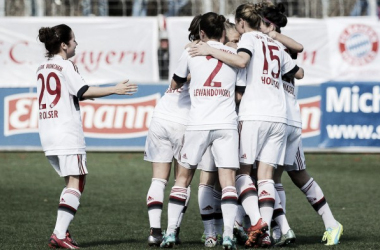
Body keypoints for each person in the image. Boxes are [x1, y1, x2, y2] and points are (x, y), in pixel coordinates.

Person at [189, 3, 304, 248]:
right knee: (265, 178)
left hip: (253, 114)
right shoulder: (274, 44)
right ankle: (271, 230)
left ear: (241, 22)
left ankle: (258, 222)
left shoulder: (249, 40)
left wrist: (210, 49)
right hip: (279, 117)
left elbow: (241, 62)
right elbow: (299, 73)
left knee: (241, 173)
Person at [36, 24, 137, 249]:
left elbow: (72, 94)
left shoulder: (42, 67)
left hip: (48, 132)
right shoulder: (65, 66)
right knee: (77, 181)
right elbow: (83, 91)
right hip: (66, 132)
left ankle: (63, 231)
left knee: (70, 182)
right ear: (63, 44)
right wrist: (115, 89)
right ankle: (59, 234)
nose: (76, 43)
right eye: (73, 40)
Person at [257, 3, 344, 246]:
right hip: (277, 117)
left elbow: (298, 51)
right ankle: (279, 229)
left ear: (270, 26)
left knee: (293, 175)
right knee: (273, 177)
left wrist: (271, 34)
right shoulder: (264, 43)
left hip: (285, 119)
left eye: (261, 24)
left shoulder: (279, 44)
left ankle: (330, 223)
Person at [160, 12, 245, 250]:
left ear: (202, 33)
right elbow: (239, 93)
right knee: (227, 182)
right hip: (226, 124)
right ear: (223, 33)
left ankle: (169, 233)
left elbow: (175, 83)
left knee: (183, 180)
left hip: (198, 124)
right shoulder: (234, 54)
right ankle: (226, 235)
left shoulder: (190, 51)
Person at [143, 15, 200, 248]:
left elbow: (176, 80)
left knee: (158, 179)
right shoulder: (216, 52)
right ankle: (172, 231)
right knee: (182, 181)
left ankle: (154, 232)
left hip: (162, 115)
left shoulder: (187, 50)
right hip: (185, 120)